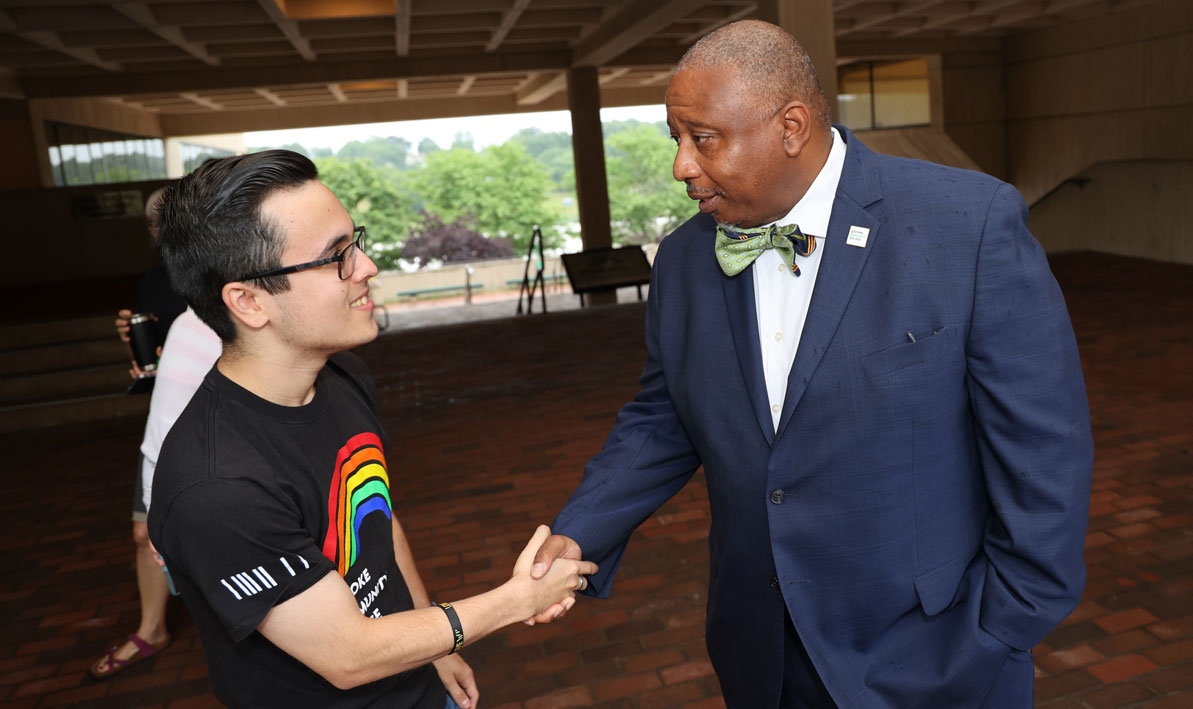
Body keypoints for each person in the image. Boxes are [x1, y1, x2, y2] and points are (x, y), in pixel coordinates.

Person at [530, 20, 1093, 708]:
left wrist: (1000, 627)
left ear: (791, 125)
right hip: (764, 656)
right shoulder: (682, 260)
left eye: (701, 138)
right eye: (674, 140)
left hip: (941, 654)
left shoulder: (966, 224)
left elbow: (1044, 454)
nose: (680, 165)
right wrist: (578, 532)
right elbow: (663, 416)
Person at [148, 150, 595, 709]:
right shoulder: (216, 487)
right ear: (248, 301)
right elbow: (349, 656)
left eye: (353, 243)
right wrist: (516, 601)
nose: (366, 268)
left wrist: (435, 647)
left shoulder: (341, 375)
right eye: (335, 257)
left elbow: (375, 520)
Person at [91, 189, 215, 679]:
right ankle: (151, 628)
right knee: (145, 531)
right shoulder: (152, 283)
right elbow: (155, 364)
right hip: (166, 421)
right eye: (158, 225)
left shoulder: (226, 270)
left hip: (218, 421)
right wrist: (137, 345)